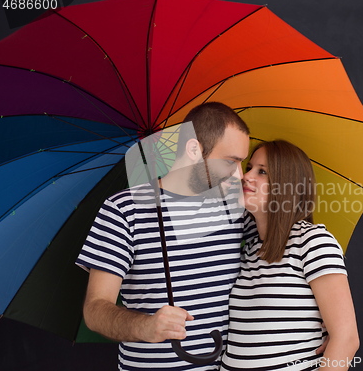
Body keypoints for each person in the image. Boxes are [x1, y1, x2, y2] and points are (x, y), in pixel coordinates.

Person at [76, 102, 250, 370]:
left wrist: (329, 319)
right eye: (230, 161)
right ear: (194, 149)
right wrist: (146, 326)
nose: (239, 175)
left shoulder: (234, 206)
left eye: (242, 162)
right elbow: (95, 309)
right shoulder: (123, 210)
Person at [220, 140, 359, 371]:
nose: (246, 176)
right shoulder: (247, 251)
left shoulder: (312, 242)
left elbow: (346, 339)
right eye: (249, 168)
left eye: (262, 171)